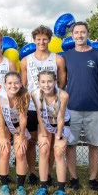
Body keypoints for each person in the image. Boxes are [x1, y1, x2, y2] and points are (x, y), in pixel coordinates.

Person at [63, 21, 98, 192]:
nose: (79, 35)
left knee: (94, 145)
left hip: (95, 109)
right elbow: (60, 82)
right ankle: (73, 178)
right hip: (72, 109)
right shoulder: (66, 56)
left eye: (82, 32)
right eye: (76, 33)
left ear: (88, 34)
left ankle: (93, 179)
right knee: (70, 145)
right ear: (72, 36)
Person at [20, 25, 66, 185]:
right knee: (32, 142)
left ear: (49, 40)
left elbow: (62, 81)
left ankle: (48, 173)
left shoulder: (57, 59)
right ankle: (32, 172)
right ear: (34, 40)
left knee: (50, 142)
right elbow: (23, 85)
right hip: (32, 108)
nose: (41, 42)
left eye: (44, 39)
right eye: (38, 39)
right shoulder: (26, 61)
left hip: (52, 107)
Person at [32, 70, 73, 195]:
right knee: (44, 149)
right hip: (45, 123)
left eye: (50, 81)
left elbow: (61, 118)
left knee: (58, 152)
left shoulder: (63, 95)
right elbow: (39, 115)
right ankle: (43, 187)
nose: (46, 84)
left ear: (55, 82)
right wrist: (44, 134)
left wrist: (58, 138)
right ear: (38, 82)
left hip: (61, 125)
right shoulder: (35, 93)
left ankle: (61, 190)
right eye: (43, 81)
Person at [0, 72, 29, 195]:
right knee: (4, 151)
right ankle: (4, 185)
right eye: (9, 83)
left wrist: (21, 136)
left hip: (19, 124)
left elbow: (23, 117)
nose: (13, 86)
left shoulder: (24, 95)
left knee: (20, 152)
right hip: (4, 125)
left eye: (16, 83)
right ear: (5, 84)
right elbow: (1, 119)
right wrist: (3, 137)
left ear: (20, 84)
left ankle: (20, 186)